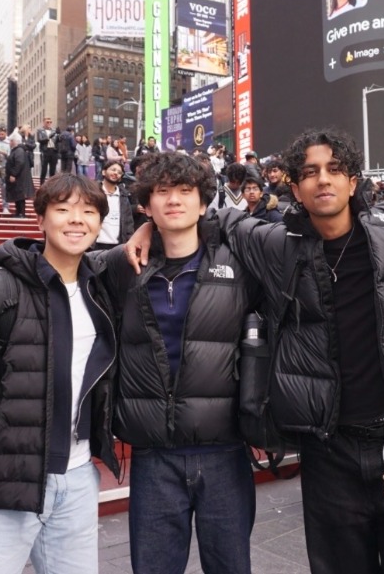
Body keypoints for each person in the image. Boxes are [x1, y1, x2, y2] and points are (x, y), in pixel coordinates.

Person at [126, 129, 384, 574]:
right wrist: (150, 225)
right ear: (294, 187)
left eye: (334, 169)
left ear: (353, 181)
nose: (322, 180)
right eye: (309, 172)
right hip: (327, 449)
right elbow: (210, 219)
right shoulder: (274, 244)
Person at [0, 173, 120, 574]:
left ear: (101, 223)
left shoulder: (100, 289)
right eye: (62, 210)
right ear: (41, 221)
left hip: (79, 479)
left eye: (87, 211)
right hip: (5, 479)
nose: (76, 220)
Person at [102, 152, 259, 574]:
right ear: (145, 204)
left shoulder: (238, 263)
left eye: (185, 191)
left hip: (224, 450)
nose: (174, 200)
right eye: (162, 192)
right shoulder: (124, 270)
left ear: (204, 202)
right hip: (154, 456)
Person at [92, 161, 135, 250]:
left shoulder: (124, 196)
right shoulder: (93, 192)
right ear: (104, 172)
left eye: (119, 172)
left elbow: (128, 222)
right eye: (113, 170)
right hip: (95, 244)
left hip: (117, 246)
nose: (116, 173)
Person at [5, 131, 34, 219]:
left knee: (20, 197)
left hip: (20, 178)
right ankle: (18, 213)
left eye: (11, 141)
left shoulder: (19, 150)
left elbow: (19, 162)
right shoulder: (18, 150)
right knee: (17, 196)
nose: (9, 143)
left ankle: (21, 213)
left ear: (14, 141)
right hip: (19, 177)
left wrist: (13, 174)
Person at [37, 117, 59, 185]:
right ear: (44, 122)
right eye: (47, 122)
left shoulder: (54, 130)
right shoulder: (40, 130)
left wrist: (59, 135)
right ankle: (42, 184)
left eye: (50, 122)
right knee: (44, 169)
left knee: (53, 169)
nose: (49, 123)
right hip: (45, 150)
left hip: (53, 150)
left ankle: (51, 184)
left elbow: (58, 141)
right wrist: (49, 136)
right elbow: (40, 140)